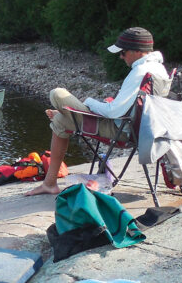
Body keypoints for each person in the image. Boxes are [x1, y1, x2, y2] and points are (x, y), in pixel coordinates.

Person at [26, 27, 170, 196]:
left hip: (120, 130)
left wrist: (89, 103)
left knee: (56, 94)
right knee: (60, 121)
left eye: (123, 52)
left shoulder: (140, 72)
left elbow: (112, 111)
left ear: (138, 51)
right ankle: (50, 183)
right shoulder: (159, 69)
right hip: (140, 130)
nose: (121, 56)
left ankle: (50, 182)